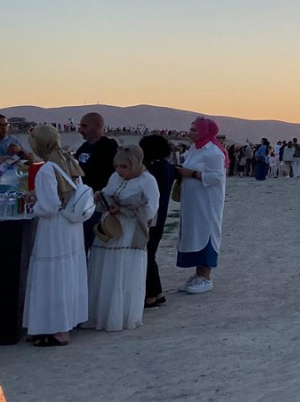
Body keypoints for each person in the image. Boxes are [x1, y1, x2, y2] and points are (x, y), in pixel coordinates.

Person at [23, 125, 89, 347]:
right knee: (67, 273)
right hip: (71, 227)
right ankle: (60, 324)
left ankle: (57, 329)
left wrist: (33, 206)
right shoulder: (68, 160)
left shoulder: (46, 169)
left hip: (54, 229)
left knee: (51, 276)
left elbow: (50, 206)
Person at [86, 145, 160, 331]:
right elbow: (109, 192)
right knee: (105, 268)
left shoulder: (147, 181)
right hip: (109, 230)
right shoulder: (114, 177)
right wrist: (101, 197)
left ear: (134, 164)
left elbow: (151, 209)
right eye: (117, 166)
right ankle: (98, 315)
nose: (119, 170)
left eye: (124, 167)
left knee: (122, 270)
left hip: (129, 233)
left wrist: (126, 208)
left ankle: (120, 316)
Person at [175, 117, 228, 295]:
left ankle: (206, 276)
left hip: (207, 203)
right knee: (194, 233)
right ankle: (197, 275)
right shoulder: (195, 149)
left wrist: (193, 174)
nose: (190, 132)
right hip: (193, 203)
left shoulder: (213, 152)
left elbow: (217, 177)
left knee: (206, 233)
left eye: (194, 130)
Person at [138, 135, 175, 309]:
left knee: (147, 254)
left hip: (152, 218)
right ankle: (157, 293)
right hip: (159, 217)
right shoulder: (166, 166)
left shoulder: (155, 168)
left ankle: (150, 295)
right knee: (150, 254)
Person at [75, 112, 120, 252]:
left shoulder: (108, 147)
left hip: (97, 203)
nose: (80, 129)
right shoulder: (83, 148)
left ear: (97, 126)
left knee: (93, 244)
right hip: (81, 202)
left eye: (84, 126)